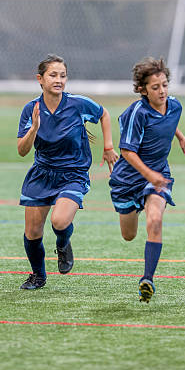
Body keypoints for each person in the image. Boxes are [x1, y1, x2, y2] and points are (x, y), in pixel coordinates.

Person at [17, 54, 118, 290]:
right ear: (40, 79)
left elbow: (103, 114)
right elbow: (22, 151)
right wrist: (33, 128)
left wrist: (108, 146)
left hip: (73, 173)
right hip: (42, 173)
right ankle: (38, 276)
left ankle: (63, 244)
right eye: (53, 75)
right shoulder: (31, 109)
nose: (59, 79)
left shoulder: (78, 104)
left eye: (63, 75)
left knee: (60, 221)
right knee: (32, 233)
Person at [109, 57, 185, 303]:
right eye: (155, 87)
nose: (162, 91)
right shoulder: (137, 113)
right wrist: (147, 174)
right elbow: (127, 151)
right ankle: (134, 206)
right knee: (128, 236)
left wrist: (180, 136)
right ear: (142, 90)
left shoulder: (175, 106)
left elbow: (169, 121)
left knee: (155, 220)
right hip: (127, 179)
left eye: (165, 85)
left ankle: (147, 279)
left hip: (157, 175)